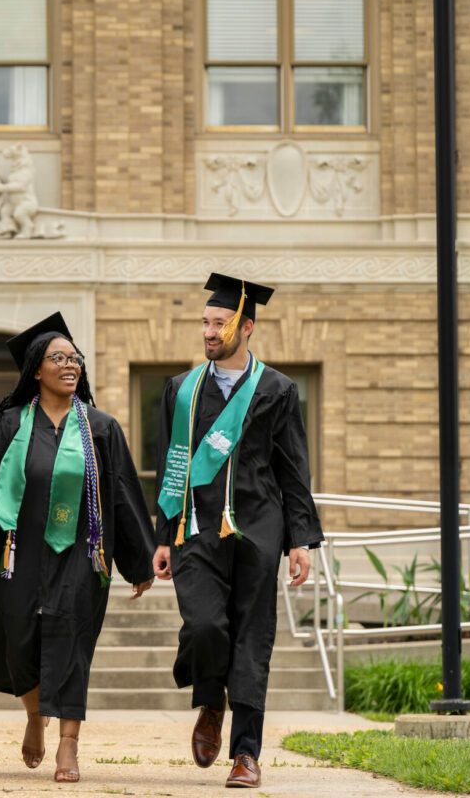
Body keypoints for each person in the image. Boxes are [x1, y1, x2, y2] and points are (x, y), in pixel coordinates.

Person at [0, 313, 156, 784]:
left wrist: (139, 558)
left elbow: (124, 491)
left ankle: (68, 743)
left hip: (81, 557)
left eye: (74, 358)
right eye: (58, 358)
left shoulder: (100, 428)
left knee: (71, 644)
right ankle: (32, 714)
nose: (70, 365)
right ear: (35, 370)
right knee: (18, 643)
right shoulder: (8, 425)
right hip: (16, 554)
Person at [151, 275, 324, 789]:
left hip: (258, 527)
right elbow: (171, 465)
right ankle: (210, 699)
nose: (209, 331)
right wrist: (163, 534)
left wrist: (300, 540)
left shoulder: (277, 389)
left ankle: (246, 752)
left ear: (245, 327)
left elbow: (293, 468)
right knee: (204, 625)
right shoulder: (181, 390)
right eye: (205, 322)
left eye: (219, 323)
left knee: (252, 636)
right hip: (196, 528)